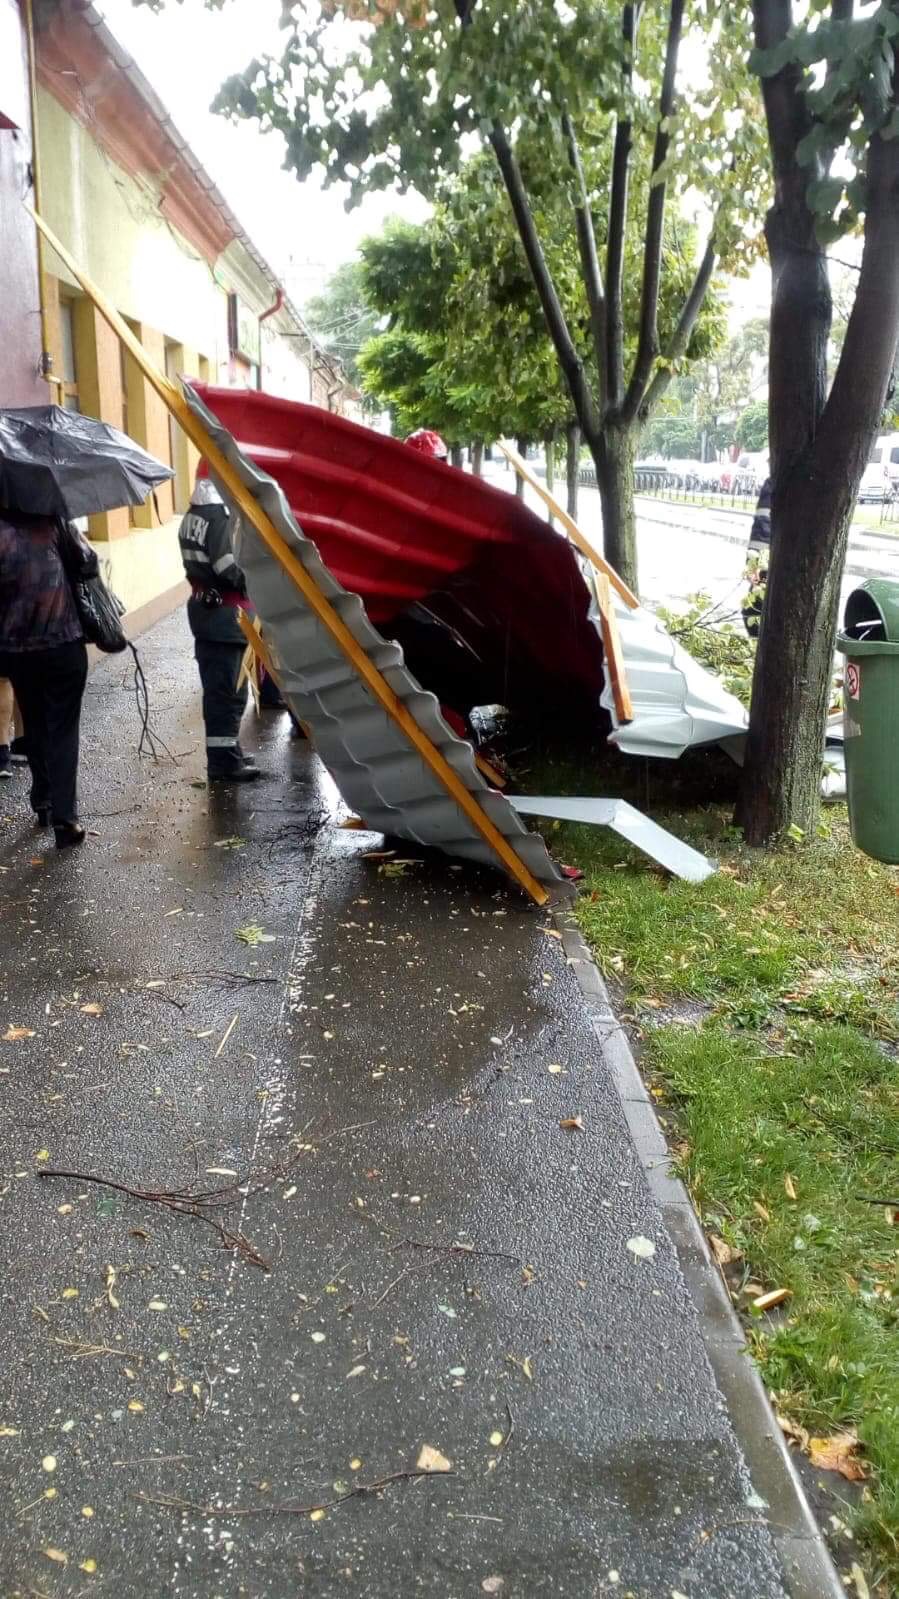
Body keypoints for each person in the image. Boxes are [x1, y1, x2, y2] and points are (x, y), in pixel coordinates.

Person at [0, 508, 96, 847]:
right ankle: (65, 819)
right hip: (62, 641)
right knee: (63, 729)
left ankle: (43, 799)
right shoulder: (54, 521)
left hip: (17, 648)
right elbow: (89, 562)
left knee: (35, 722)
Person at [179, 469, 263, 783]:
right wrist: (257, 578)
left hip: (209, 612)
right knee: (228, 693)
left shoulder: (193, 514)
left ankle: (230, 752)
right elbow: (227, 566)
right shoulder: (218, 517)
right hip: (225, 616)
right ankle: (224, 763)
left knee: (222, 690)